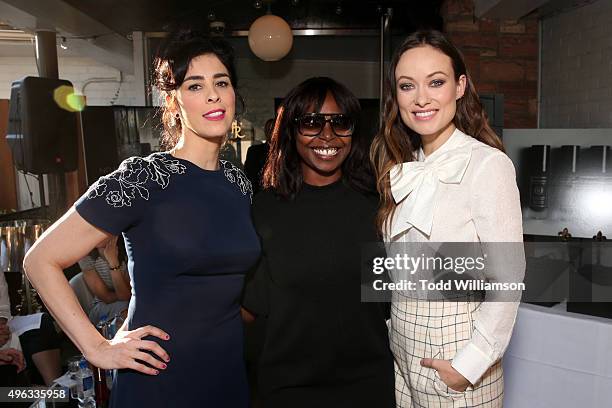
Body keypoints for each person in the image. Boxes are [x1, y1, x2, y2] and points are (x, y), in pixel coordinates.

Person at [23, 31, 260, 407]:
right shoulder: (143, 179)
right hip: (159, 380)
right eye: (194, 85)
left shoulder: (238, 183)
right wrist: (97, 348)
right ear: (173, 101)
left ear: (234, 94)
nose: (213, 95)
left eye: (221, 82)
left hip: (228, 375)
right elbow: (40, 260)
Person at [370, 29, 525, 407]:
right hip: (403, 350)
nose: (421, 98)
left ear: (460, 86)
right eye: (407, 86)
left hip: (456, 353)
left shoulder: (487, 165)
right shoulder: (404, 167)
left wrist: (470, 363)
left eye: (435, 82)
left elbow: (508, 277)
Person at [242, 77, 395, 408]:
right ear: (291, 131)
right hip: (288, 388)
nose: (328, 135)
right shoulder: (266, 209)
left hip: (368, 386)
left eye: (340, 122)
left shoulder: (378, 206)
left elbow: (395, 297)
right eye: (312, 122)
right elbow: (250, 305)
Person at [1, 271, 61, 386]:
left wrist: (1, 325)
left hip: (4, 324)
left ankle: (55, 389)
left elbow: (3, 308)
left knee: (41, 322)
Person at [78, 236, 130, 324]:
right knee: (128, 309)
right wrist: (113, 262)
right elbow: (107, 297)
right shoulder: (85, 257)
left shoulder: (127, 249)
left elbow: (127, 294)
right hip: (102, 306)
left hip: (127, 302)